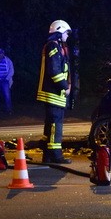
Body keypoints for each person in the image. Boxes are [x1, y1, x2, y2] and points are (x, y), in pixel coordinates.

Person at [36, 20, 72, 164]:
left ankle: (47, 155)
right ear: (59, 32)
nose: (67, 36)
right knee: (56, 125)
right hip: (54, 93)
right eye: (66, 33)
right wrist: (65, 86)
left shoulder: (54, 46)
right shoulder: (54, 47)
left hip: (53, 93)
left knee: (50, 125)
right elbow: (54, 70)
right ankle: (56, 155)